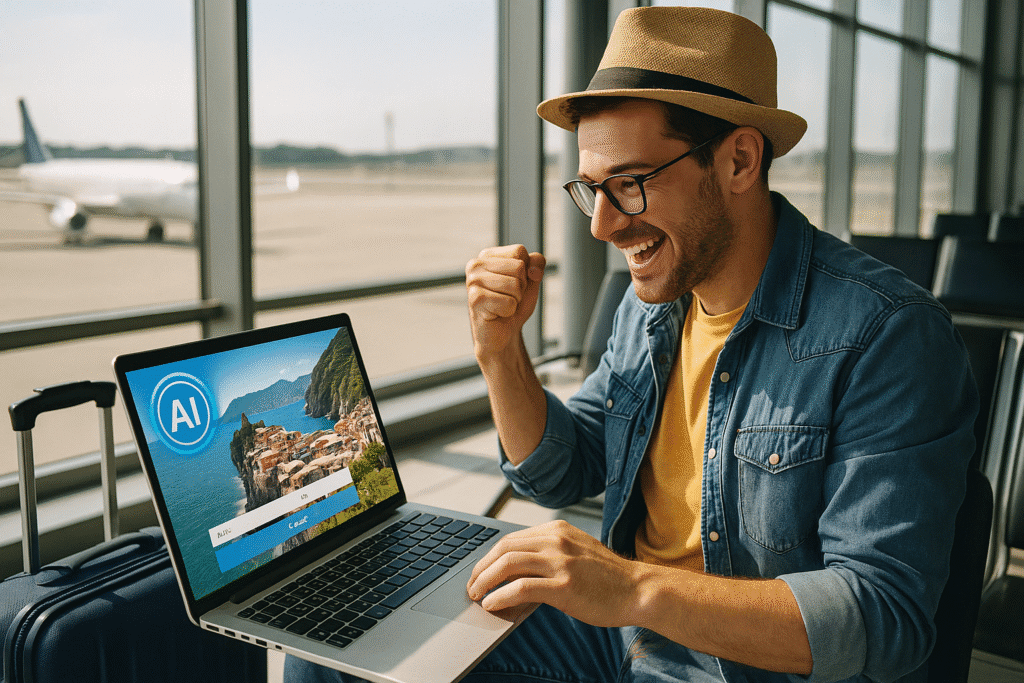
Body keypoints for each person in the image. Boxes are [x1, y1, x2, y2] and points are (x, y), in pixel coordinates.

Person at [287, 6, 978, 682]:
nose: (604, 225)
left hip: (738, 667)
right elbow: (564, 467)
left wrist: (631, 588)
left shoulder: (886, 335)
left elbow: (883, 616)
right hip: (623, 642)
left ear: (739, 159)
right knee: (335, 642)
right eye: (592, 190)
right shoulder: (652, 309)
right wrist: (500, 353)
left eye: (631, 184)